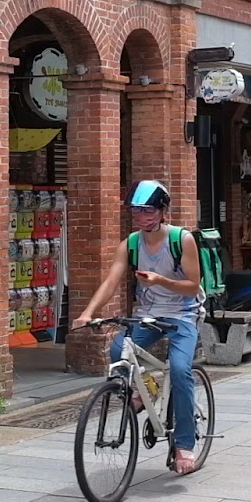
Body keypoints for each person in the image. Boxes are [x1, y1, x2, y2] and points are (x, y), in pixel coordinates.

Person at [75, 179, 203, 475]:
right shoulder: (131, 244)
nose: (142, 217)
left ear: (162, 211)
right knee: (119, 349)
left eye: (148, 211)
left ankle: (184, 443)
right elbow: (111, 281)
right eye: (136, 211)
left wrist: (161, 280)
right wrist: (88, 313)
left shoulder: (181, 240)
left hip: (182, 314)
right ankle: (144, 389)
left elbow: (192, 286)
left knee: (181, 369)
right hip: (147, 315)